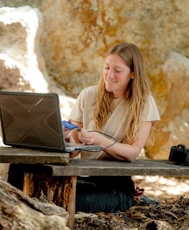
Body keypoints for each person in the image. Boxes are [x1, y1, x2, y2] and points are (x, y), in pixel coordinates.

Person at [64, 42, 160, 213]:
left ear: (132, 74)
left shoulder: (144, 102)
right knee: (38, 189)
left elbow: (132, 153)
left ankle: (135, 199)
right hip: (82, 177)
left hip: (115, 187)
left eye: (117, 70)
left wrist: (100, 140)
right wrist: (67, 140)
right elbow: (73, 151)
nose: (109, 75)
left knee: (66, 201)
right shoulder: (88, 95)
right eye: (107, 68)